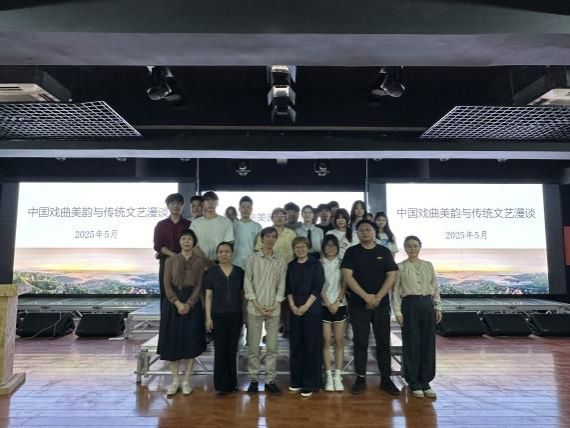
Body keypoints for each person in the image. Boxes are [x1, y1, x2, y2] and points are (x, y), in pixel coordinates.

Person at [341, 219, 400, 396]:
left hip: (381, 305)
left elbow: (391, 275)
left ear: (374, 232)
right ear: (357, 234)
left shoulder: (384, 251)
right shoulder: (352, 252)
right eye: (361, 230)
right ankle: (360, 379)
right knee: (360, 342)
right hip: (358, 305)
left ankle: (386, 379)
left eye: (368, 229)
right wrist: (366, 296)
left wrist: (378, 297)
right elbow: (347, 276)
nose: (365, 232)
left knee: (383, 342)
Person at [157, 229, 209, 396]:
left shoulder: (200, 261)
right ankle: (175, 381)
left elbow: (199, 285)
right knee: (172, 342)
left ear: (194, 242)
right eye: (183, 239)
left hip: (192, 304)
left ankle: (186, 381)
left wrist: (189, 304)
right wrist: (177, 302)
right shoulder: (170, 260)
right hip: (172, 304)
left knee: (190, 342)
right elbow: (166, 284)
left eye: (189, 239)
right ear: (180, 242)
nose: (186, 241)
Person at [393, 235, 442, 399]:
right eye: (409, 246)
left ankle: (425, 381)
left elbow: (435, 287)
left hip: (427, 305)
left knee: (428, 343)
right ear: (405, 248)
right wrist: (398, 312)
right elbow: (395, 292)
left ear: (420, 247)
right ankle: (413, 381)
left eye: (415, 245)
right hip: (409, 306)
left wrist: (438, 307)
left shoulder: (428, 265)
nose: (412, 249)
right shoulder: (400, 267)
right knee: (412, 343)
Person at [245, 227, 287, 396]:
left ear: (276, 239)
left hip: (274, 308)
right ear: (261, 239)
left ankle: (270, 380)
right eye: (267, 236)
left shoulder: (281, 261)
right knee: (253, 346)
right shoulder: (252, 258)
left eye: (273, 236)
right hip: (255, 308)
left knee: (272, 347)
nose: (270, 239)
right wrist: (256, 303)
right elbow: (247, 282)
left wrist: (275, 303)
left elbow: (282, 284)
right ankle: (254, 379)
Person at [204, 242, 245, 396]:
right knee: (220, 350)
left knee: (232, 350)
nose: (224, 254)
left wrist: (245, 316)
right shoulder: (211, 272)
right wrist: (208, 318)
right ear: (217, 254)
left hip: (235, 315)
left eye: (227, 251)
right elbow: (208, 296)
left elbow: (243, 295)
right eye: (220, 252)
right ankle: (221, 385)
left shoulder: (240, 272)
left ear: (232, 253)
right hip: (217, 316)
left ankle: (232, 383)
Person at [286, 236, 324, 397]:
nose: (300, 249)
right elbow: (288, 288)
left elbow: (317, 287)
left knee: (311, 346)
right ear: (293, 250)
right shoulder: (291, 265)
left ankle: (310, 383)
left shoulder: (316, 265)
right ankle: (297, 381)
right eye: (297, 247)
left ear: (308, 248)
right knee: (296, 345)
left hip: (312, 310)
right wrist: (293, 306)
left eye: (303, 247)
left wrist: (306, 306)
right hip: (295, 310)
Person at [255, 208, 296, 337]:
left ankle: (287, 328)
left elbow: (296, 252)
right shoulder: (265, 232)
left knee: (286, 301)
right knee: (270, 300)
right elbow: (258, 251)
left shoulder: (291, 234)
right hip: (269, 272)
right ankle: (269, 332)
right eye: (276, 215)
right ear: (272, 218)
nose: (279, 217)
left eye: (282, 215)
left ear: (286, 218)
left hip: (287, 271)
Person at [320, 234, 347, 392]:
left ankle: (338, 376)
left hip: (340, 306)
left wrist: (337, 302)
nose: (331, 248)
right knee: (326, 341)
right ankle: (328, 376)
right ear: (323, 248)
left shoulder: (342, 263)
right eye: (328, 245)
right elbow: (318, 285)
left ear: (337, 247)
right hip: (324, 305)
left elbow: (344, 284)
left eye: (333, 245)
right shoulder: (319, 263)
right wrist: (328, 302)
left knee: (339, 340)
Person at [153, 193, 191, 304]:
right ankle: (166, 315)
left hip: (185, 262)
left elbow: (193, 243)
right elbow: (158, 245)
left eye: (178, 203)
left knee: (184, 292)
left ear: (182, 205)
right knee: (166, 292)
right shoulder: (161, 225)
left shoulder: (189, 224)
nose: (175, 206)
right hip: (166, 262)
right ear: (168, 206)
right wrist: (174, 255)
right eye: (172, 203)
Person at [190, 191, 235, 261]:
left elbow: (228, 243)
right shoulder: (195, 223)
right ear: (203, 204)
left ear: (217, 203)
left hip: (220, 261)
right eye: (207, 201)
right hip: (200, 261)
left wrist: (218, 259)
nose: (210, 203)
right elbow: (193, 244)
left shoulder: (226, 222)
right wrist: (204, 260)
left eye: (213, 201)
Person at [232, 196, 262, 270]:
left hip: (251, 263)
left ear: (251, 209)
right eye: (243, 207)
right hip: (235, 262)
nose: (245, 209)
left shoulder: (257, 226)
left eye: (248, 207)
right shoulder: (233, 225)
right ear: (239, 209)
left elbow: (259, 247)